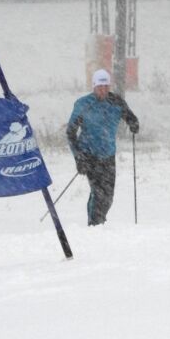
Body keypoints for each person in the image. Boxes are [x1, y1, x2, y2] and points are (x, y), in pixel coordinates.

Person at [67, 69, 139, 226]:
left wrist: (133, 123)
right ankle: (94, 224)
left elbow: (130, 117)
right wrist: (78, 157)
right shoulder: (83, 104)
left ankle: (98, 221)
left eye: (106, 86)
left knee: (108, 196)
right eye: (100, 87)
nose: (103, 90)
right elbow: (70, 132)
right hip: (89, 155)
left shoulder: (116, 102)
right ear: (94, 87)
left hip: (108, 155)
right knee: (98, 193)